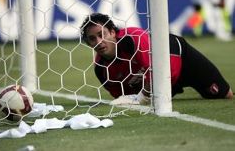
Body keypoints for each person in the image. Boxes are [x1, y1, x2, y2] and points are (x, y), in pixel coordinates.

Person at [80, 13, 233, 105]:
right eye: (92, 39)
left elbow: (156, 71)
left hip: (182, 60)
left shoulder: (133, 39)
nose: (98, 42)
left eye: (102, 34)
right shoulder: (101, 68)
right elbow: (123, 97)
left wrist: (141, 97)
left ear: (113, 32)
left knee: (224, 96)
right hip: (158, 84)